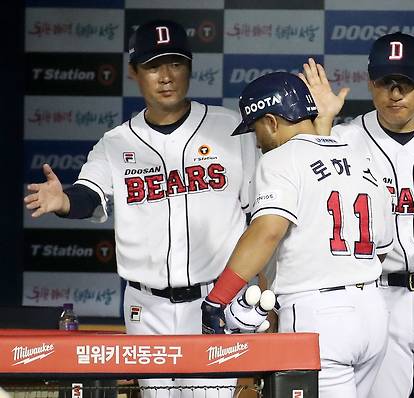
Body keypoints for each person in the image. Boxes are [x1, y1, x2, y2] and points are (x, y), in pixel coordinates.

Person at [23, 19, 255, 398]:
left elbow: (261, 216)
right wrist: (64, 201)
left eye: (175, 63)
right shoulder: (115, 143)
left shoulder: (230, 129)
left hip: (214, 302)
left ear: (191, 67)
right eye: (152, 65)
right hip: (146, 308)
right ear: (134, 72)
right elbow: (90, 194)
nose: (166, 76)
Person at [302, 32, 414, 398]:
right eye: (386, 82)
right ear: (370, 84)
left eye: (405, 83)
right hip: (375, 296)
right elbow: (308, 194)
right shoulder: (344, 139)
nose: (395, 93)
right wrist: (321, 127)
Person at [201, 71, 395, 398]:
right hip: (373, 312)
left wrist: (217, 298)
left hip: (320, 318)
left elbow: (267, 232)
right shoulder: (360, 157)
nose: (256, 139)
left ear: (273, 122)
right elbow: (383, 246)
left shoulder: (279, 160)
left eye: (256, 127)